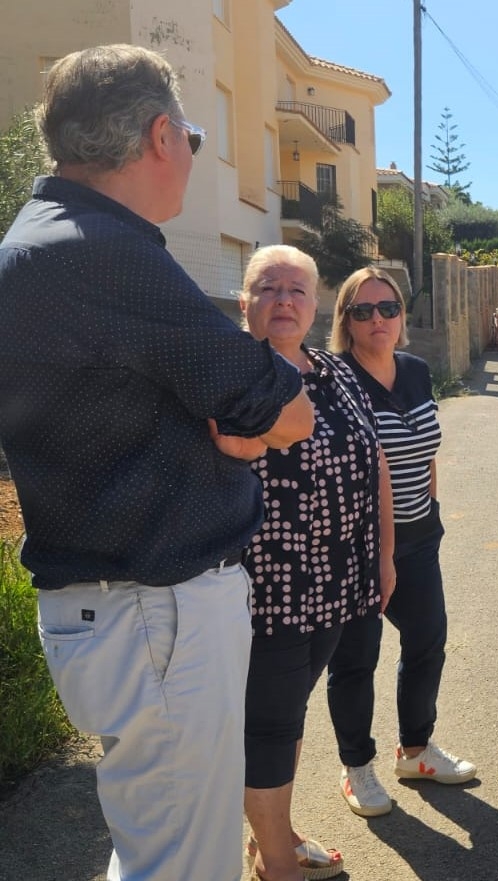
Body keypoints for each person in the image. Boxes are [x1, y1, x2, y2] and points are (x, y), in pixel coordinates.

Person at [0, 45, 314, 881]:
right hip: (157, 610)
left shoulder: (40, 242)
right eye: (195, 138)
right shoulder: (104, 250)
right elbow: (287, 406)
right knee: (183, 865)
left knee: (155, 848)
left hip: (121, 609)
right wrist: (247, 421)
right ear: (161, 136)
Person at [237, 246, 395, 881]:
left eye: (297, 289)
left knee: (290, 715)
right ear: (245, 301)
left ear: (316, 303)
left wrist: (383, 554)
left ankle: (275, 834)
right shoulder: (233, 371)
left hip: (337, 580)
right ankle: (277, 863)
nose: (283, 299)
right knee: (269, 725)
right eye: (267, 287)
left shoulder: (334, 370)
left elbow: (374, 459)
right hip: (266, 584)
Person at [325, 267, 477, 821]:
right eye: (362, 311)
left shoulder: (414, 370)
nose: (378, 320)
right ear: (346, 320)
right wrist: (377, 552)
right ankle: (356, 767)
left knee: (427, 641)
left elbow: (426, 448)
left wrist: (429, 511)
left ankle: (415, 751)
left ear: (402, 315)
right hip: (357, 546)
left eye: (387, 308)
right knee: (356, 658)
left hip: (417, 536)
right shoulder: (333, 379)